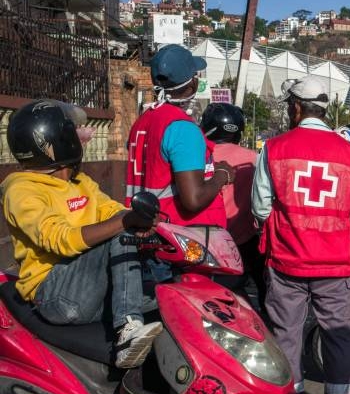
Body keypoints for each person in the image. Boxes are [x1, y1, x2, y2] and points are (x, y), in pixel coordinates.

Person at [251, 77, 350, 394]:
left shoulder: (274, 148)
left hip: (286, 261)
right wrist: (338, 224)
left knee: (286, 335)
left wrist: (280, 225)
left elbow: (259, 206)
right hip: (335, 263)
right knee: (338, 335)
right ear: (325, 109)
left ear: (296, 107)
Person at [1, 101, 161, 368]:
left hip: (88, 294)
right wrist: (126, 223)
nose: (82, 138)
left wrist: (141, 222)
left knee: (167, 297)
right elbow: (62, 239)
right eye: (73, 133)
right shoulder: (21, 191)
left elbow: (112, 210)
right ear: (56, 142)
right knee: (119, 234)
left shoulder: (80, 182)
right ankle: (127, 333)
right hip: (54, 293)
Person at [127, 44, 233, 228]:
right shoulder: (183, 128)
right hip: (181, 235)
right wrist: (222, 175)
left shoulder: (142, 121)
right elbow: (194, 199)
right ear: (192, 84)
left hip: (147, 228)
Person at [200, 103, 266, 311]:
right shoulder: (256, 159)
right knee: (266, 290)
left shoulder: (199, 156)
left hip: (210, 240)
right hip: (249, 240)